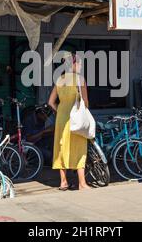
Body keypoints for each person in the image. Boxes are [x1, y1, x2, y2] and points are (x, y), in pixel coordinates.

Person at [48, 52, 91, 191]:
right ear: (72, 64)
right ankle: (82, 183)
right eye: (78, 63)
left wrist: (60, 111)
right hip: (75, 120)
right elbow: (86, 102)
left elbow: (50, 102)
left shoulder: (59, 80)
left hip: (61, 119)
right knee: (79, 149)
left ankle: (63, 182)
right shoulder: (80, 80)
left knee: (62, 148)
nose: (80, 66)